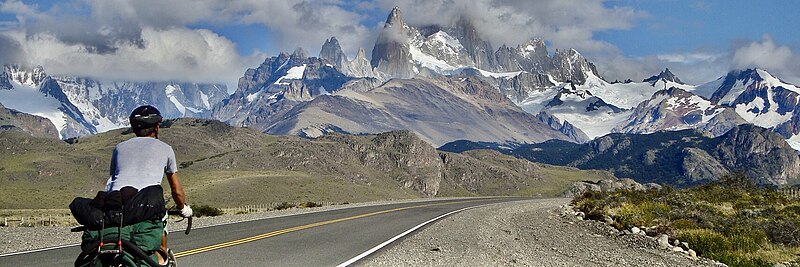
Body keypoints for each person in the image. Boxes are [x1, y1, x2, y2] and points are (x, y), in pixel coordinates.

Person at [105, 105, 192, 265]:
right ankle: (162, 260)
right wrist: (183, 209)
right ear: (157, 127)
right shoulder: (166, 149)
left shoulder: (119, 148)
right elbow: (176, 190)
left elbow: (112, 179)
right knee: (160, 249)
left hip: (115, 206)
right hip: (147, 206)